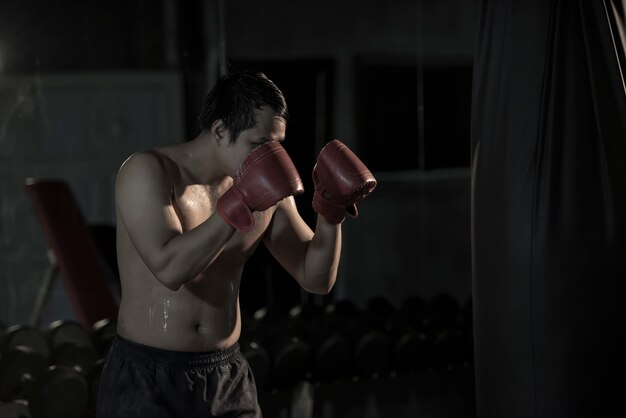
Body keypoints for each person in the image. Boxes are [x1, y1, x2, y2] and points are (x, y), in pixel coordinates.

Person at [96, 70, 376, 418]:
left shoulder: (263, 189)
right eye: (259, 144)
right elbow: (170, 269)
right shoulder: (147, 172)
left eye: (277, 144)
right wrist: (238, 203)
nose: (269, 156)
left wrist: (330, 215)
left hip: (226, 374)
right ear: (220, 131)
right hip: (149, 375)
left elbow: (315, 277)